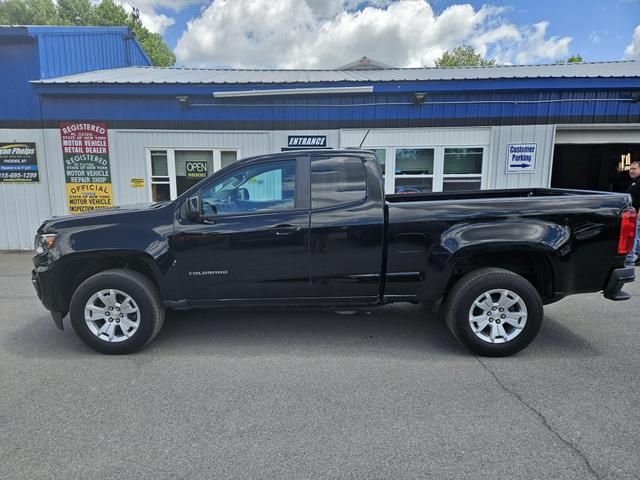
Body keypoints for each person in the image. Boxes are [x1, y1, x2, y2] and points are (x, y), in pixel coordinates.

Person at [626, 161, 640, 266]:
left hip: (637, 215)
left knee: (635, 236)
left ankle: (632, 257)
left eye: (634, 168)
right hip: (633, 214)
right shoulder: (635, 182)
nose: (631, 171)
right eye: (630, 168)